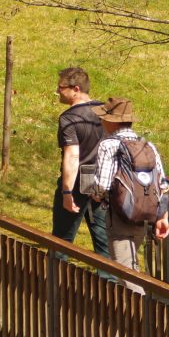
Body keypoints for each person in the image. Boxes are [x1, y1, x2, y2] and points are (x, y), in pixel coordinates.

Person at [88, 98, 169, 291]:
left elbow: (102, 184)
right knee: (131, 266)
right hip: (144, 217)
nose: (101, 121)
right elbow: (163, 185)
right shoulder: (148, 146)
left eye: (104, 118)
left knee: (125, 273)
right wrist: (162, 217)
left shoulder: (108, 145)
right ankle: (137, 306)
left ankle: (143, 308)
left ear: (112, 122)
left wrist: (95, 195)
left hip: (119, 216)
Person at [52, 67, 110, 257]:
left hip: (78, 183)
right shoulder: (106, 112)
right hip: (103, 182)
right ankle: (108, 275)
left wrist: (67, 192)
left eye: (61, 87)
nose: (57, 91)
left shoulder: (69, 118)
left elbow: (72, 156)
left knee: (61, 243)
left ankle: (55, 274)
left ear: (76, 89)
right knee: (104, 245)